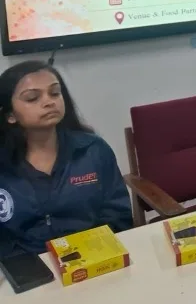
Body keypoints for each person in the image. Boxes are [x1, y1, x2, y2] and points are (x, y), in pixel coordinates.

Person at [0, 61, 133, 258]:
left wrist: (90, 252)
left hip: (93, 257)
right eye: (32, 98)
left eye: (55, 93)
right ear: (10, 115)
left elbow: (118, 214)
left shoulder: (93, 150)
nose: (49, 102)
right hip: (26, 266)